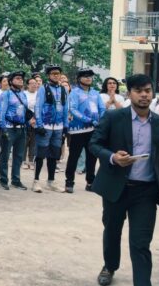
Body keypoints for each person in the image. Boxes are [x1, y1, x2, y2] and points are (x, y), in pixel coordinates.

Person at [90, 74, 159, 286]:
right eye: (138, 91)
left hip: (145, 191)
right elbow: (94, 144)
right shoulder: (113, 117)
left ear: (152, 93)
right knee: (112, 230)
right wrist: (112, 157)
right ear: (129, 94)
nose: (144, 95)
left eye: (147, 90)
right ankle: (110, 266)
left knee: (140, 243)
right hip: (116, 187)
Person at [65, 68, 104, 193]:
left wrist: (102, 120)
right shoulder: (74, 93)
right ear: (79, 79)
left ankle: (90, 182)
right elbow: (73, 109)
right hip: (78, 130)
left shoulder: (95, 93)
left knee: (92, 157)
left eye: (90, 76)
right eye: (85, 76)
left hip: (93, 129)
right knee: (74, 156)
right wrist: (87, 120)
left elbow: (102, 108)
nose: (88, 78)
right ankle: (69, 181)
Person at [32, 63, 69, 193]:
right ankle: (36, 181)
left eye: (58, 73)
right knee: (40, 154)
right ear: (48, 75)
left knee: (54, 155)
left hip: (58, 127)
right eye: (53, 73)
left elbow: (66, 108)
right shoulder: (43, 88)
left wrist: (66, 126)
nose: (56, 76)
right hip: (45, 126)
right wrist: (39, 124)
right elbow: (38, 106)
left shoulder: (63, 89)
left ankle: (51, 181)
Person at [0, 70, 29, 190]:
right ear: (11, 81)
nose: (20, 80)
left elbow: (25, 111)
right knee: (5, 155)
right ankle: (3, 180)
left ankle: (16, 180)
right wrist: (3, 128)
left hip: (22, 129)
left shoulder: (23, 94)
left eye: (21, 78)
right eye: (17, 78)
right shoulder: (6, 94)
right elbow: (1, 113)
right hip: (9, 128)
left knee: (19, 156)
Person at [24, 76, 39, 169]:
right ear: (27, 85)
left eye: (35, 83)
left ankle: (31, 161)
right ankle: (23, 161)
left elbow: (41, 107)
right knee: (25, 141)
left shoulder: (39, 95)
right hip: (26, 119)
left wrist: (35, 119)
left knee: (34, 141)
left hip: (36, 119)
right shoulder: (24, 94)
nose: (34, 85)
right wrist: (29, 119)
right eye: (32, 83)